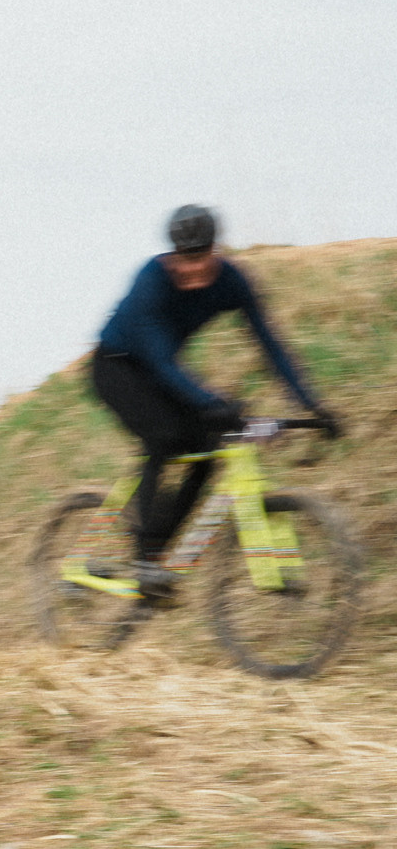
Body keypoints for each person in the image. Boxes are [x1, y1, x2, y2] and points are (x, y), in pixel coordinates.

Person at [92, 205, 340, 599]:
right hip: (116, 367)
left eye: (200, 258)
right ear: (171, 255)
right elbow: (161, 361)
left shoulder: (231, 282)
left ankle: (157, 552)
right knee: (166, 438)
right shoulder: (152, 282)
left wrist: (312, 404)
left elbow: (269, 344)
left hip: (162, 373)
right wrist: (212, 401)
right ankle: (143, 558)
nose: (191, 269)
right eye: (182, 260)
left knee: (209, 450)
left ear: (215, 250)